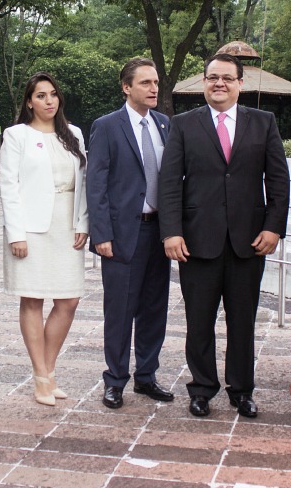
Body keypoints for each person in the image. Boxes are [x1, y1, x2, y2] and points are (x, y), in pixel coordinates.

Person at [159, 53, 291, 419]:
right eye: (213, 77)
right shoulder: (183, 124)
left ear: (240, 83)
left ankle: (242, 390)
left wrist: (273, 227)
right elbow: (169, 183)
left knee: (242, 322)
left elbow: (278, 180)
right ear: (204, 82)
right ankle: (202, 389)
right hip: (197, 242)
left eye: (227, 78)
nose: (219, 83)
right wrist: (171, 232)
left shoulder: (263, 122)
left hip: (249, 242)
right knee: (199, 321)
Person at [87, 57, 174, 410]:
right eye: (145, 83)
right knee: (120, 310)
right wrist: (101, 234)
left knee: (154, 308)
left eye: (156, 83)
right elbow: (96, 184)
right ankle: (115, 380)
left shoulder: (165, 124)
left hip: (159, 233)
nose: (154, 89)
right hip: (123, 233)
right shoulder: (107, 126)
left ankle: (146, 376)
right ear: (127, 87)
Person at [0, 72, 89, 406]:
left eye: (53, 94)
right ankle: (41, 376)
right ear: (29, 102)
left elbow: (84, 181)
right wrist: (16, 234)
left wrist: (83, 222)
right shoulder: (17, 135)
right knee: (33, 300)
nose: (48, 101)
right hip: (31, 228)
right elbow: (8, 186)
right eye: (40, 95)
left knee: (69, 300)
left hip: (67, 224)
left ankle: (48, 370)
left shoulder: (74, 134)